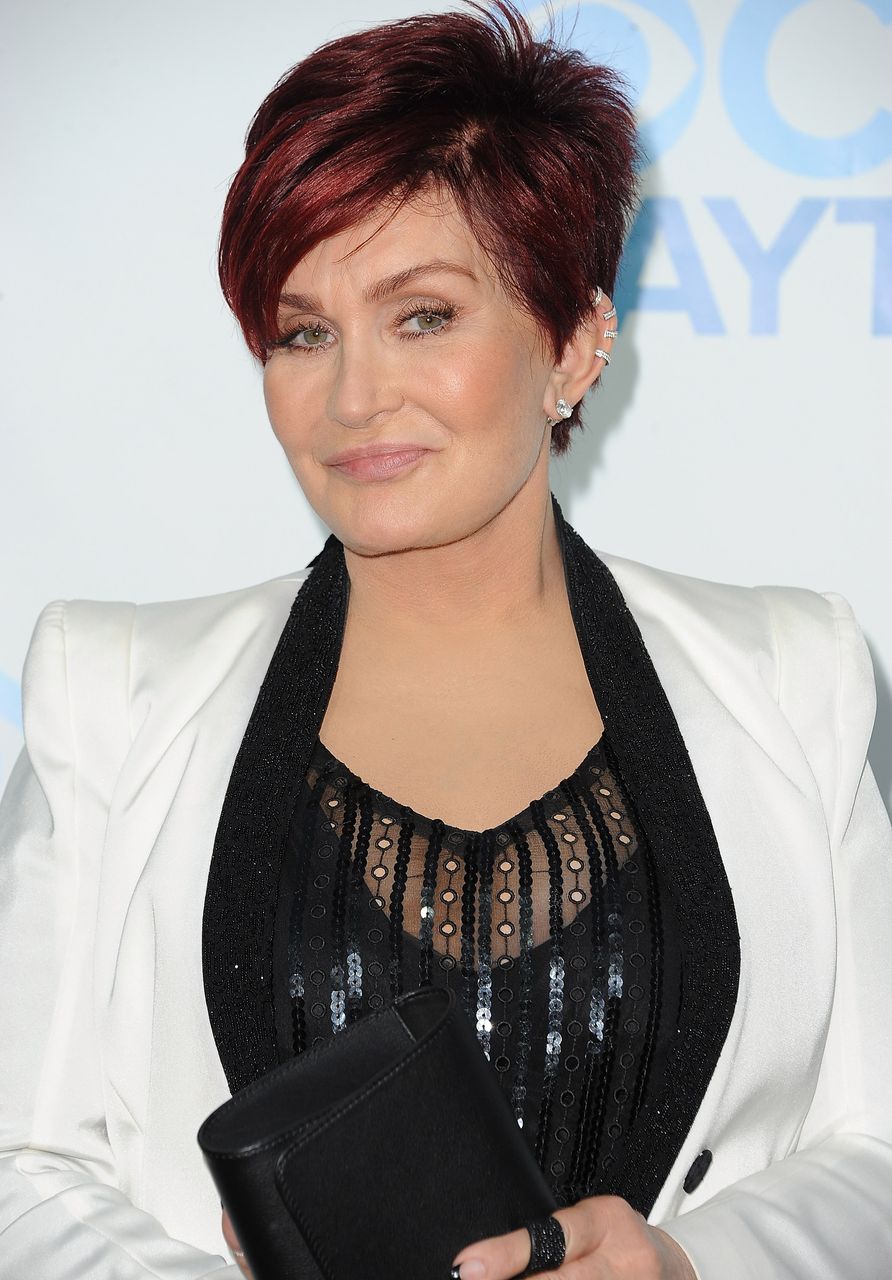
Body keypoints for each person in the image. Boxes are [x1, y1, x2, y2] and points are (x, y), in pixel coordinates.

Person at [1, 2, 891, 1277]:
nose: (354, 397)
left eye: (421, 315)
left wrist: (692, 1263)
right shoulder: (114, 696)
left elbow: (876, 1142)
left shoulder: (789, 677)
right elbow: (19, 1164)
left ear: (574, 341)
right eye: (303, 332)